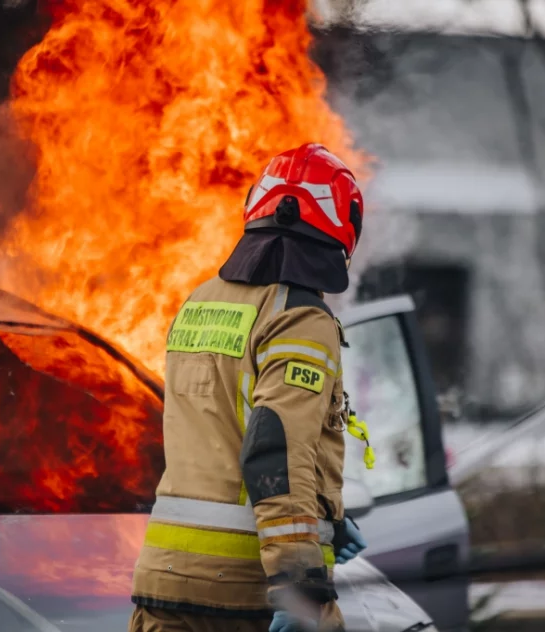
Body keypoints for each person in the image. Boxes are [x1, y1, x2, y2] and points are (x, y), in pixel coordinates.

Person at [129, 143, 369, 632]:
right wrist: (298, 585)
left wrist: (327, 518)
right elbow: (273, 449)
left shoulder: (199, 301)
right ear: (342, 225)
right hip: (247, 591)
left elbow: (220, 434)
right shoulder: (299, 316)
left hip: (164, 583)